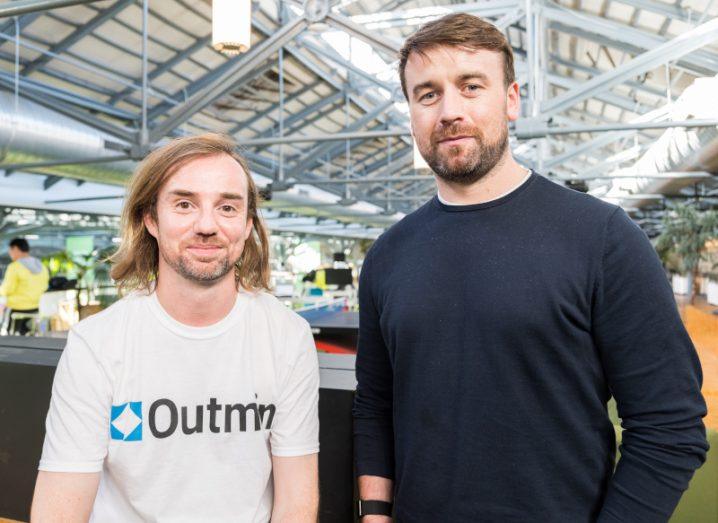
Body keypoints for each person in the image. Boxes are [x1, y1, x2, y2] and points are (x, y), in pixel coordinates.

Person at [353, 13, 708, 522]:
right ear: (411, 112)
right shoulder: (388, 256)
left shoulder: (602, 238)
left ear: (512, 99)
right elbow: (375, 407)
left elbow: (670, 427)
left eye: (471, 86)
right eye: (427, 94)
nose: (450, 110)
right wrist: (374, 512)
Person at [31, 134, 320, 522]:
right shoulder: (97, 344)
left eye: (228, 207)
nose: (207, 225)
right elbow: (59, 511)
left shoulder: (287, 336)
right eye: (184, 204)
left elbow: (296, 506)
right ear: (150, 218)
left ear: (248, 223)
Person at [0, 237, 49, 335]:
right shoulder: (41, 266)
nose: (10, 254)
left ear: (15, 249)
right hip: (36, 308)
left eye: (10, 251)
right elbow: (45, 286)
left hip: (17, 309)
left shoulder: (14, 267)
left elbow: (6, 290)